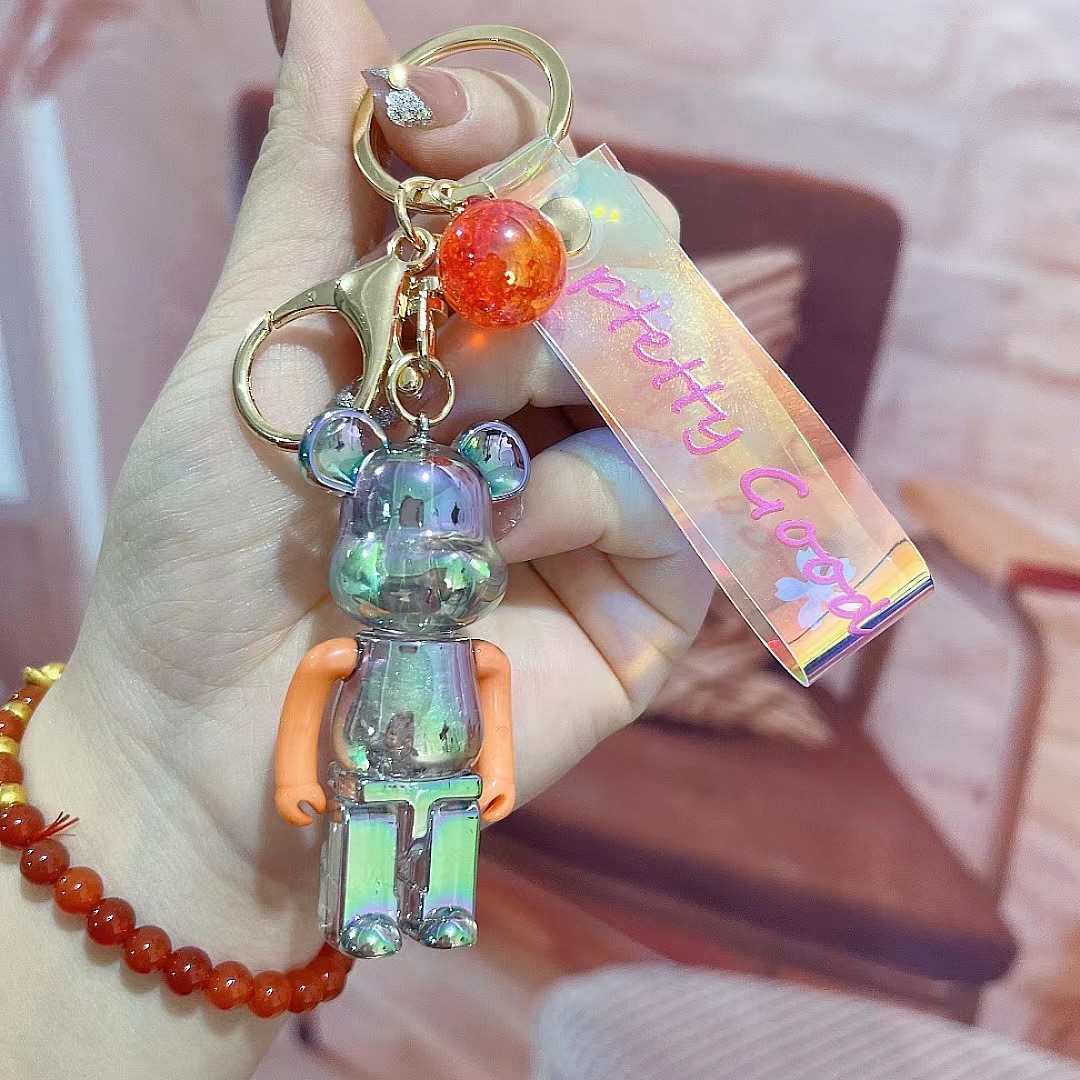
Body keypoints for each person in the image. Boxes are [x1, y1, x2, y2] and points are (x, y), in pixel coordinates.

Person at [0, 1, 710, 1075]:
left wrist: (493, 764)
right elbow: (313, 691)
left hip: (446, 760)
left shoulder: (465, 642)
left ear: (494, 492)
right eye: (394, 534)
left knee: (443, 829)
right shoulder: (349, 645)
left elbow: (493, 686)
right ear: (342, 477)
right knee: (371, 827)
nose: (421, 559)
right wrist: (230, 774)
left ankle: (443, 902)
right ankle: (371, 907)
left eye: (451, 535)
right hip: (369, 763)